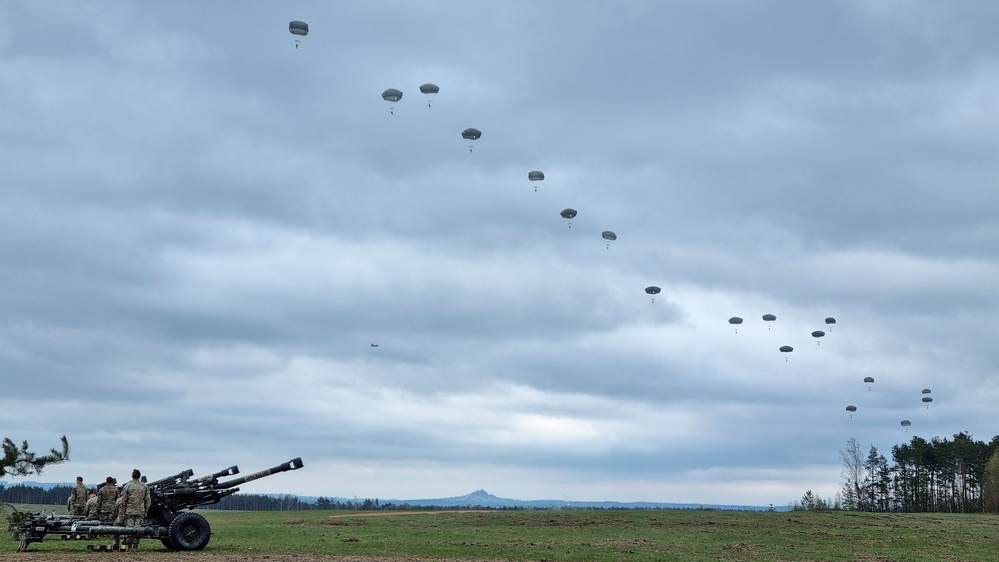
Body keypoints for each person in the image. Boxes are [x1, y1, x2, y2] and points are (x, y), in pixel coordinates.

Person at [120, 469, 150, 551]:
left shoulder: (127, 486)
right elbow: (147, 499)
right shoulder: (144, 486)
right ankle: (135, 546)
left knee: (129, 528)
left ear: (132, 476)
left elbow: (124, 500)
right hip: (140, 510)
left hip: (129, 511)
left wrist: (123, 511)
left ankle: (129, 547)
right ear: (139, 476)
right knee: (138, 528)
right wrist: (146, 510)